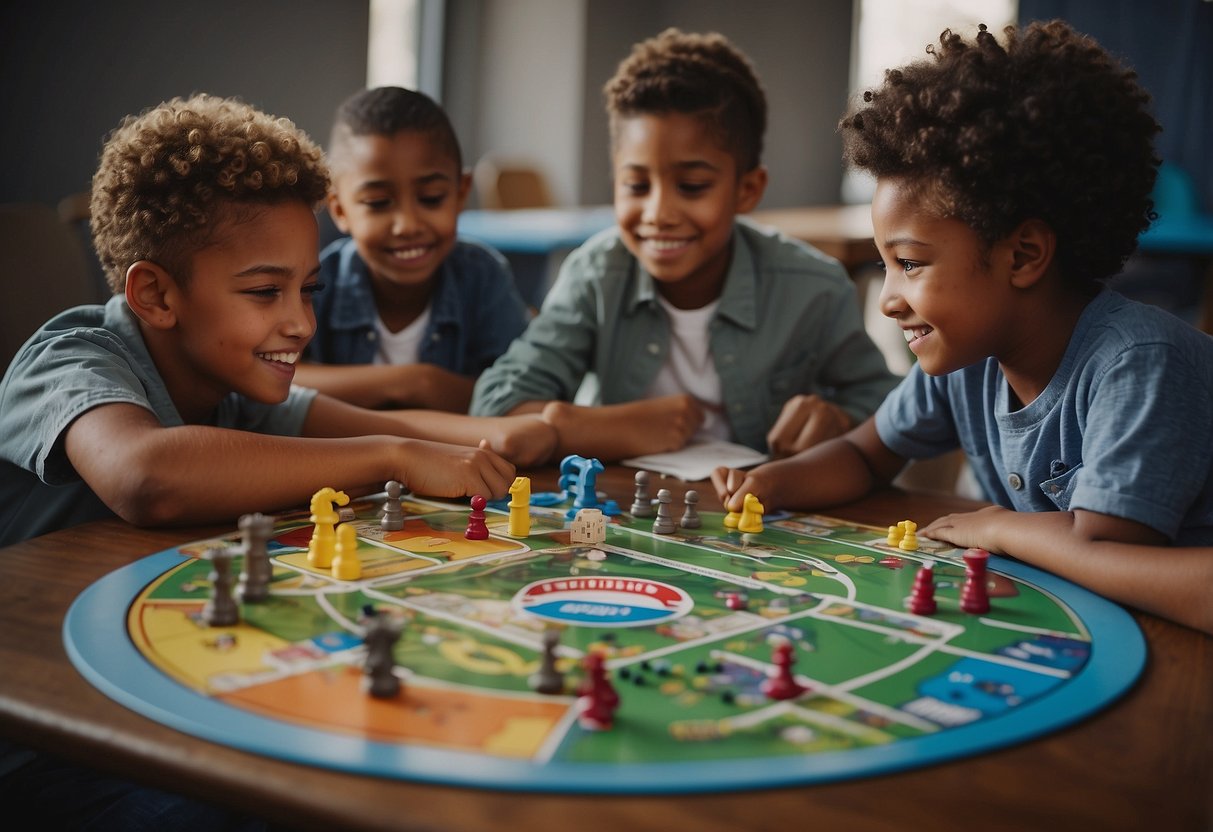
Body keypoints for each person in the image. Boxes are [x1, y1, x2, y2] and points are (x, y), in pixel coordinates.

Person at [711, 21, 1213, 635]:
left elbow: (1109, 552)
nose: (890, 300)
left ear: (1024, 255)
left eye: (912, 263)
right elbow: (864, 455)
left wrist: (996, 525)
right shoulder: (969, 357)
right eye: (884, 266)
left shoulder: (1136, 363)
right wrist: (773, 481)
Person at [0, 93, 556, 549]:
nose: (301, 324)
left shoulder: (231, 395)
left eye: (308, 289)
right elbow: (146, 476)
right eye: (266, 291)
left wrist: (512, 435)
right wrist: (396, 459)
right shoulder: (70, 359)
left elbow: (393, 427)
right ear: (156, 295)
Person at [470, 29, 897, 461]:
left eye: (691, 186)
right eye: (636, 185)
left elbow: (895, 409)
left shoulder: (814, 288)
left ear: (747, 189)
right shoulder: (597, 276)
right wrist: (611, 427)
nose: (658, 212)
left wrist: (840, 419)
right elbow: (497, 405)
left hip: (757, 509)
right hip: (624, 505)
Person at [295, 86, 530, 412]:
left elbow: (525, 392)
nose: (407, 224)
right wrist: (411, 383)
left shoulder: (483, 277)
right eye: (377, 203)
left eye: (431, 198)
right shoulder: (319, 284)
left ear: (461, 194)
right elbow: (277, 380)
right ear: (340, 210)